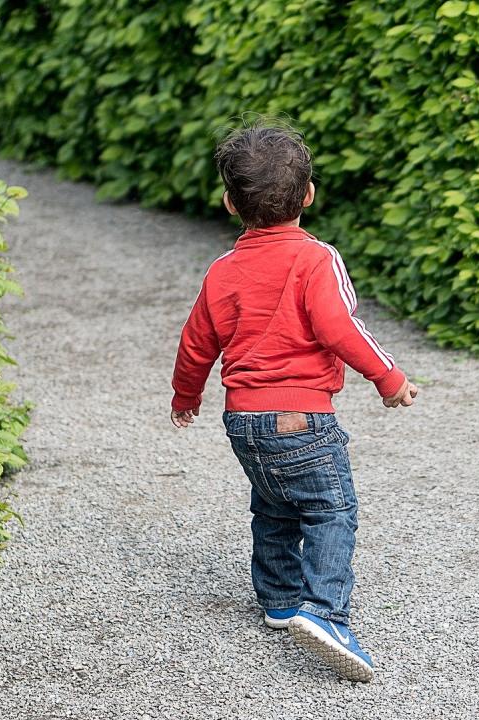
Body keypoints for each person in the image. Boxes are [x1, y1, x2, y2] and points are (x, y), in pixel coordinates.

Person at [169, 122, 418, 682]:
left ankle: (279, 599)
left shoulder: (222, 271)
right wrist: (389, 377)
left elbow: (196, 341)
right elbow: (341, 327)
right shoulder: (316, 259)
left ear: (231, 202)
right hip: (301, 417)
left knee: (274, 503)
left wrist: (187, 395)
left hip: (243, 419)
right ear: (309, 194)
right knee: (331, 509)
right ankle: (324, 612)